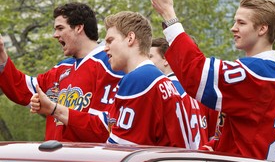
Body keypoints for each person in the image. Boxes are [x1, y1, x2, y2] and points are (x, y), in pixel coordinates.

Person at [148, 0, 275, 162]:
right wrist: (213, 146)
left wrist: (169, 15)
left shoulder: (258, 72)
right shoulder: (268, 71)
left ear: (262, 29)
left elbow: (195, 72)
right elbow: (244, 132)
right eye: (235, 21)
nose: (233, 28)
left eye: (241, 23)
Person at [31, 11, 192, 148]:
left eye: (110, 41)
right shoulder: (160, 80)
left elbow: (120, 150)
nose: (105, 47)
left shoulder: (139, 80)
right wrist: (54, 109)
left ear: (130, 38)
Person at [0, 2, 123, 142]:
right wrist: (2, 55)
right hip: (54, 157)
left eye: (60, 28)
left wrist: (54, 109)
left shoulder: (111, 65)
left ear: (78, 28)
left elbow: (105, 126)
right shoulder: (61, 68)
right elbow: (22, 88)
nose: (55, 35)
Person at [149, 37, 219, 149]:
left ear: (167, 59)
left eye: (150, 57)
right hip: (202, 157)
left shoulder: (164, 90)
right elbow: (213, 139)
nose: (147, 62)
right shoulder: (204, 91)